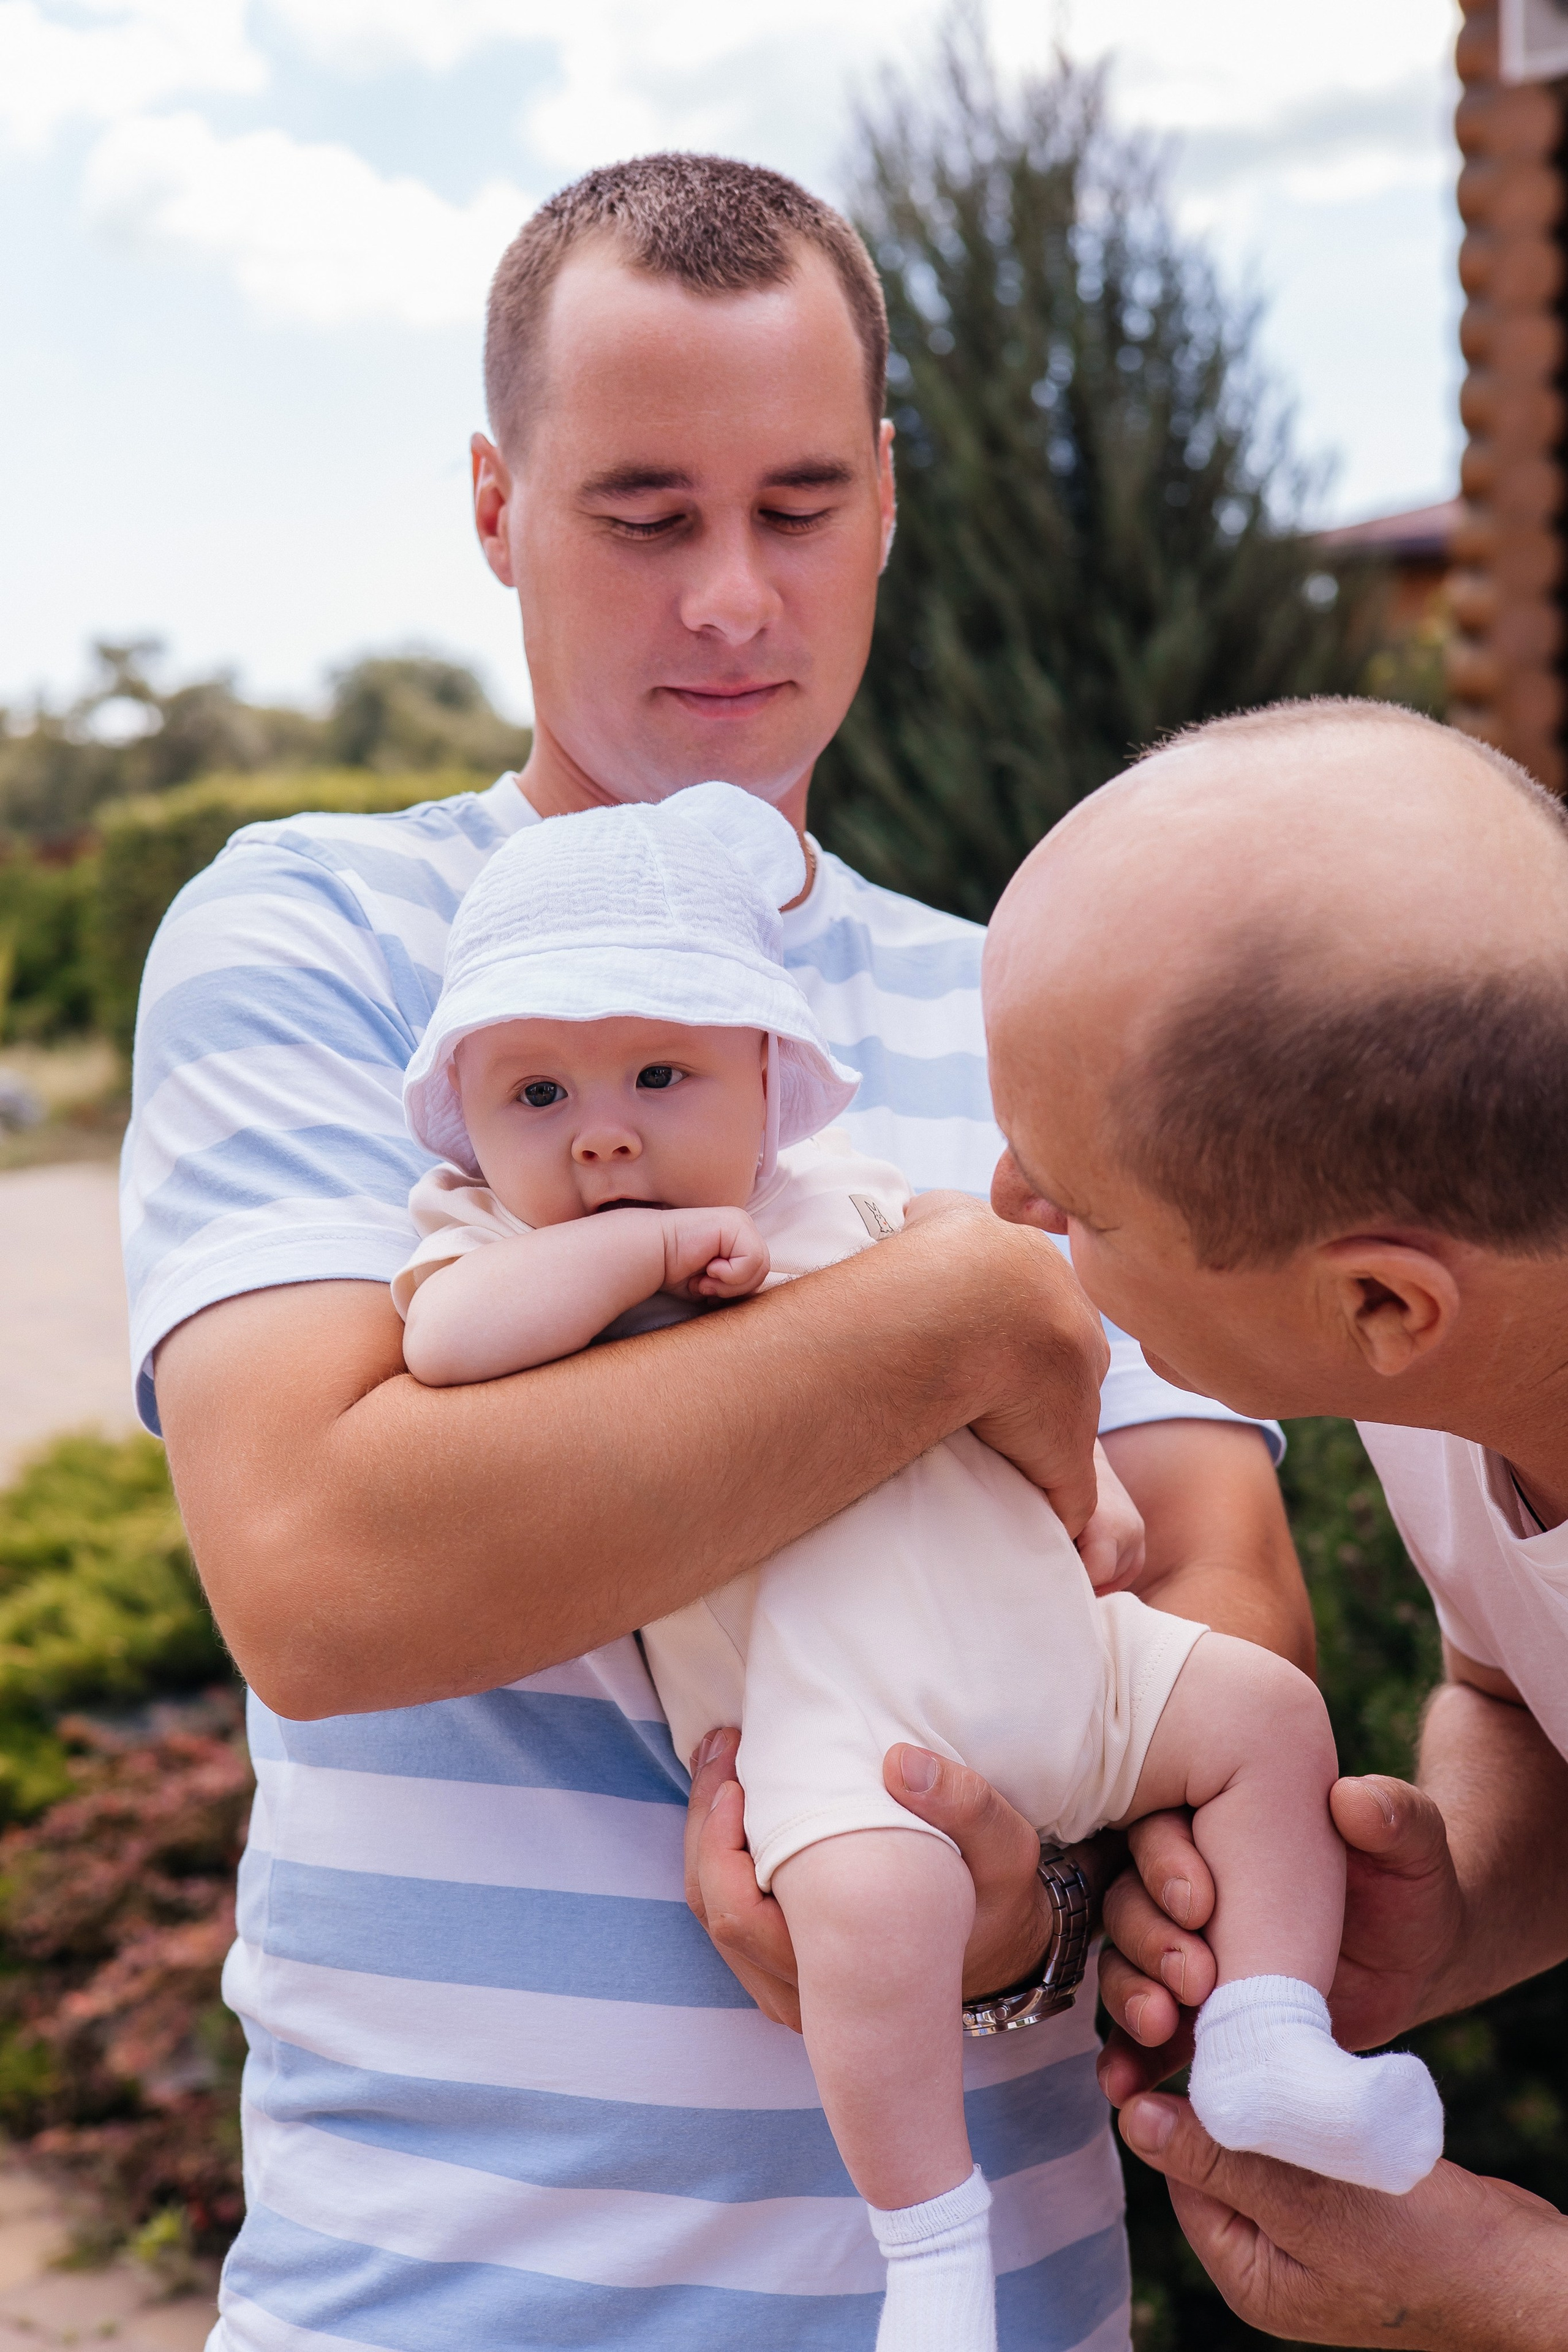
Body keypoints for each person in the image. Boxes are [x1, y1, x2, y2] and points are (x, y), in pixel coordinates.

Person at [124, 154, 1306, 2351]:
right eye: (647, 516)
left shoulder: (1036, 998)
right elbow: (324, 1575)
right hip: (438, 2309)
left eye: (800, 504)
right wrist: (952, 1315)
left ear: (888, 498)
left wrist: (1023, 1913)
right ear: (498, 510)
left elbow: (1221, 1592)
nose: (737, 599)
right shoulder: (318, 940)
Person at [395, 778, 1441, 2349]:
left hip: (1060, 1656)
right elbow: (444, 1342)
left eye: (660, 1074)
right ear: (469, 1127)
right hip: (843, 1740)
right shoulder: (500, 1251)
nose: (601, 1129)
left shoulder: (861, 1198)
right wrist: (647, 1250)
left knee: (1263, 1718)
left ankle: (1269, 2036)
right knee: (871, 1917)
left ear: (766, 1079)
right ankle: (933, 2250)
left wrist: (1087, 1477)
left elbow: (1029, 1333)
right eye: (535, 1095)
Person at [979, 695, 1568, 2348]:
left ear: (1381, 1301)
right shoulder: (1451, 1359)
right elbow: (1515, 1688)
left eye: (1075, 1201)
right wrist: (1453, 1916)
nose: (1010, 1203)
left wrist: (1508, 2294)